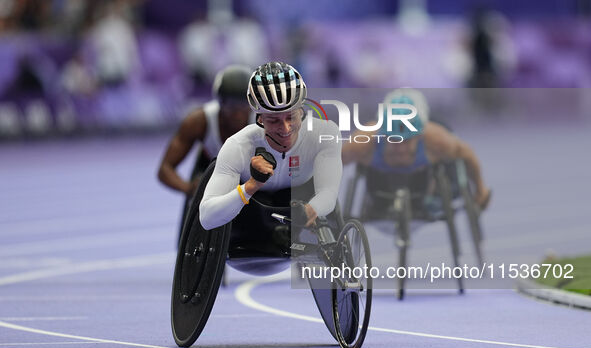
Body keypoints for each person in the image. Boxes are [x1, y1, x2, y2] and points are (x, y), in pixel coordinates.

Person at [199, 61, 342, 230]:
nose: (286, 128)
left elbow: (328, 193)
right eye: (274, 120)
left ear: (302, 111)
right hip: (252, 207)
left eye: (291, 117)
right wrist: (250, 186)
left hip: (301, 198)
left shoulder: (325, 133)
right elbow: (207, 218)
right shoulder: (238, 146)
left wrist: (312, 209)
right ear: (259, 118)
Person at [342, 88, 491, 211]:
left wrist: (480, 189)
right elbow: (331, 162)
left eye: (406, 141)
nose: (400, 149)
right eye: (394, 140)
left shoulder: (437, 140)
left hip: (425, 183)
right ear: (383, 135)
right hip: (380, 186)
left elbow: (467, 155)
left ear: (419, 137)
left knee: (454, 185)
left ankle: (434, 195)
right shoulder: (362, 143)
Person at [157, 65, 252, 243]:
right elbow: (165, 169)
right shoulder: (199, 121)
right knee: (199, 195)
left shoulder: (265, 119)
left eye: (244, 106)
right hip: (211, 172)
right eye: (232, 107)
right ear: (220, 103)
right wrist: (189, 189)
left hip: (251, 172)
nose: (238, 114)